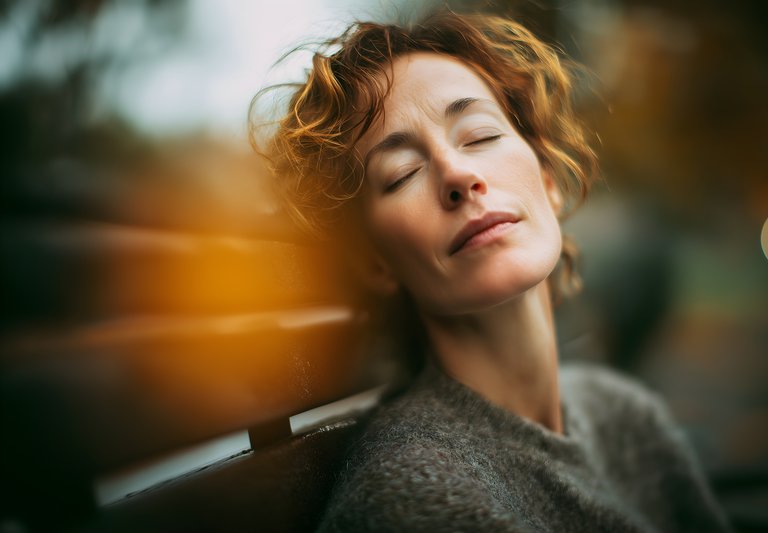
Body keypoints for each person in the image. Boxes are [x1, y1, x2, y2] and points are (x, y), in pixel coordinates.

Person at [250, 10, 731, 533]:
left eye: (479, 135)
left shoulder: (623, 413)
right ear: (375, 261)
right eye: (402, 172)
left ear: (547, 178)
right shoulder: (414, 500)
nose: (459, 174)